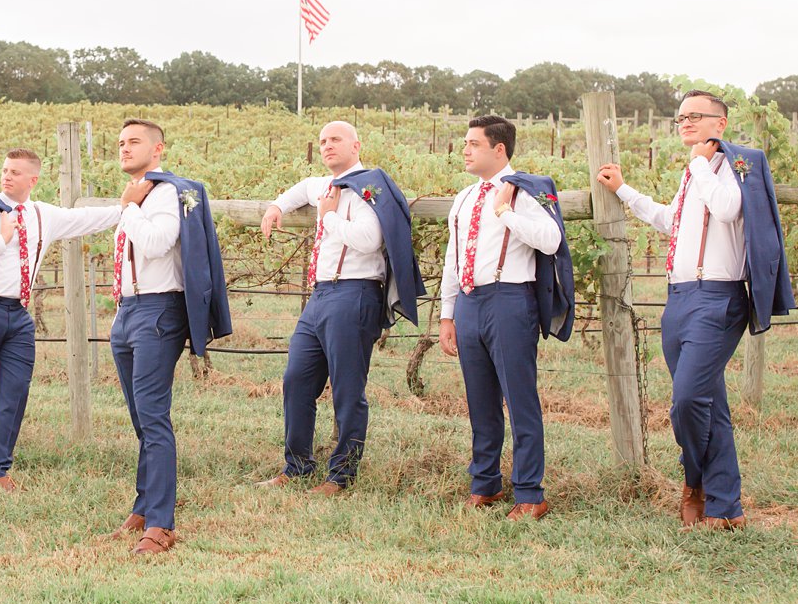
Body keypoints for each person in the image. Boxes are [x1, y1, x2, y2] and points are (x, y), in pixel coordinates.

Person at [597, 90, 793, 529]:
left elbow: (727, 209)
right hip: (679, 299)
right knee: (709, 404)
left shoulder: (738, 169)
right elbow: (673, 221)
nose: (684, 123)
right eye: (680, 117)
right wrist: (624, 190)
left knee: (686, 400)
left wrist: (701, 164)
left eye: (694, 116)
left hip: (718, 299)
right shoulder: (694, 175)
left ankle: (693, 484)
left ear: (719, 124)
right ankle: (726, 507)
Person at [0, 148, 121, 489]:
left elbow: (86, 219)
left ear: (33, 180)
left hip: (18, 314)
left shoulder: (44, 215)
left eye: (15, 171)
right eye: (4, 169)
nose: (7, 176)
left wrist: (127, 207)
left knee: (15, 391)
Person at [257, 121, 424, 494]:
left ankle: (341, 476)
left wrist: (328, 217)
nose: (327, 146)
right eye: (322, 141)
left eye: (335, 140)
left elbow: (369, 240)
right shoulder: (322, 185)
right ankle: (297, 466)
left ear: (356, 145)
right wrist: (275, 206)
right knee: (296, 379)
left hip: (355, 293)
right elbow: (302, 188)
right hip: (319, 296)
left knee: (348, 389)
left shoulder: (369, 187)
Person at [104, 119, 232, 554]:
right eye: (120, 142)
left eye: (134, 142)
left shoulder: (165, 194)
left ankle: (161, 524)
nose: (124, 148)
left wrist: (128, 207)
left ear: (158, 149)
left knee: (154, 416)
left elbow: (158, 243)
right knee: (142, 418)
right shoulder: (138, 196)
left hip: (158, 310)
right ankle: (144, 504)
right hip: (128, 310)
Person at [438, 116, 574, 521]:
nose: (465, 149)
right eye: (464, 142)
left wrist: (506, 212)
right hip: (469, 301)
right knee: (479, 400)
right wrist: (448, 314)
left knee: (520, 399)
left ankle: (531, 493)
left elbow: (551, 240)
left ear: (499, 149)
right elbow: (453, 256)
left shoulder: (527, 190)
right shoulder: (463, 197)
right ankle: (485, 483)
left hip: (510, 299)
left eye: (473, 144)